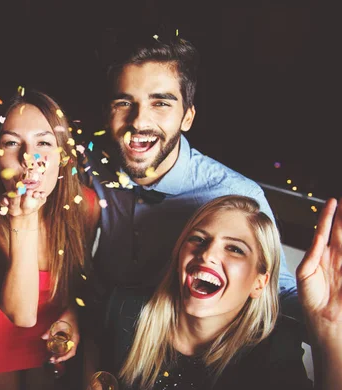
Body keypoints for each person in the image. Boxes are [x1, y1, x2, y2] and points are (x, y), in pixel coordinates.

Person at [78, 35, 300, 369]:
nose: (139, 121)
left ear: (187, 117)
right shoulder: (90, 164)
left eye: (161, 103)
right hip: (94, 325)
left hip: (169, 350)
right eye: (125, 103)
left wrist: (326, 316)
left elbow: (276, 292)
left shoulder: (237, 196)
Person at [105, 195, 342, 390]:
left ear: (259, 284)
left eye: (235, 249)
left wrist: (330, 328)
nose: (207, 254)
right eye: (198, 239)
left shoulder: (273, 352)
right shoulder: (126, 309)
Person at [0, 90, 100, 390]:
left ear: (63, 155)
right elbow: (21, 315)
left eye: (44, 143)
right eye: (11, 143)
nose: (28, 158)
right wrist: (24, 219)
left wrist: (73, 312)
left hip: (54, 334)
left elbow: (83, 284)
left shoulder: (87, 206)